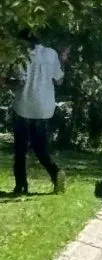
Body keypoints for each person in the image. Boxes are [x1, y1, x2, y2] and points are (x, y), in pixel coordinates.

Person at [10, 29, 68, 195]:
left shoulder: (22, 56)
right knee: (40, 148)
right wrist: (62, 61)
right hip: (44, 108)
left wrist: (5, 82)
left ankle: (21, 185)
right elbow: (60, 79)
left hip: (24, 106)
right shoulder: (51, 54)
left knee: (20, 150)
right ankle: (56, 173)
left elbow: (20, 83)